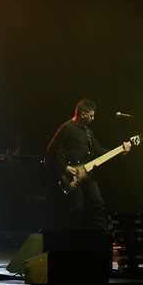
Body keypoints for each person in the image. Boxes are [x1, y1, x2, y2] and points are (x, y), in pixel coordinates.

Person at [46, 98, 131, 234]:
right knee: (77, 207)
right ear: (83, 114)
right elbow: (51, 149)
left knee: (98, 204)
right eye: (91, 116)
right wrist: (65, 167)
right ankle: (70, 239)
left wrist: (120, 150)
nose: (93, 118)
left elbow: (99, 151)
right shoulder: (67, 127)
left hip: (87, 173)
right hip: (72, 176)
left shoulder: (87, 132)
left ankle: (103, 237)